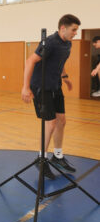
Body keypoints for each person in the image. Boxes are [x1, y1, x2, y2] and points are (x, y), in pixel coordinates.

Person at [21, 14, 81, 179]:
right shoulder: (50, 42)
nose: (76, 33)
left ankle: (58, 156)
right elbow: (30, 61)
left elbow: (58, 62)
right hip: (41, 86)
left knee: (62, 120)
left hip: (55, 85)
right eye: (74, 30)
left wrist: (65, 77)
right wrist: (25, 87)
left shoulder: (67, 43)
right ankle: (41, 159)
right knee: (51, 123)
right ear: (63, 28)